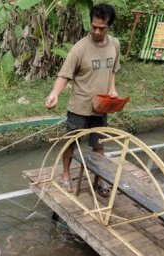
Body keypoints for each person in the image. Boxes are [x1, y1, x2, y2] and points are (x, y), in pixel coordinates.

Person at [45, 3, 120, 196]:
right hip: (79, 107)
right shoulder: (80, 48)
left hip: (101, 106)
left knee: (99, 144)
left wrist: (112, 89)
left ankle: (100, 178)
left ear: (109, 26)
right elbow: (64, 75)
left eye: (101, 28)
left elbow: (113, 70)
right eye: (93, 26)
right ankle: (66, 175)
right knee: (71, 142)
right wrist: (54, 93)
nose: (96, 31)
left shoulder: (115, 45)